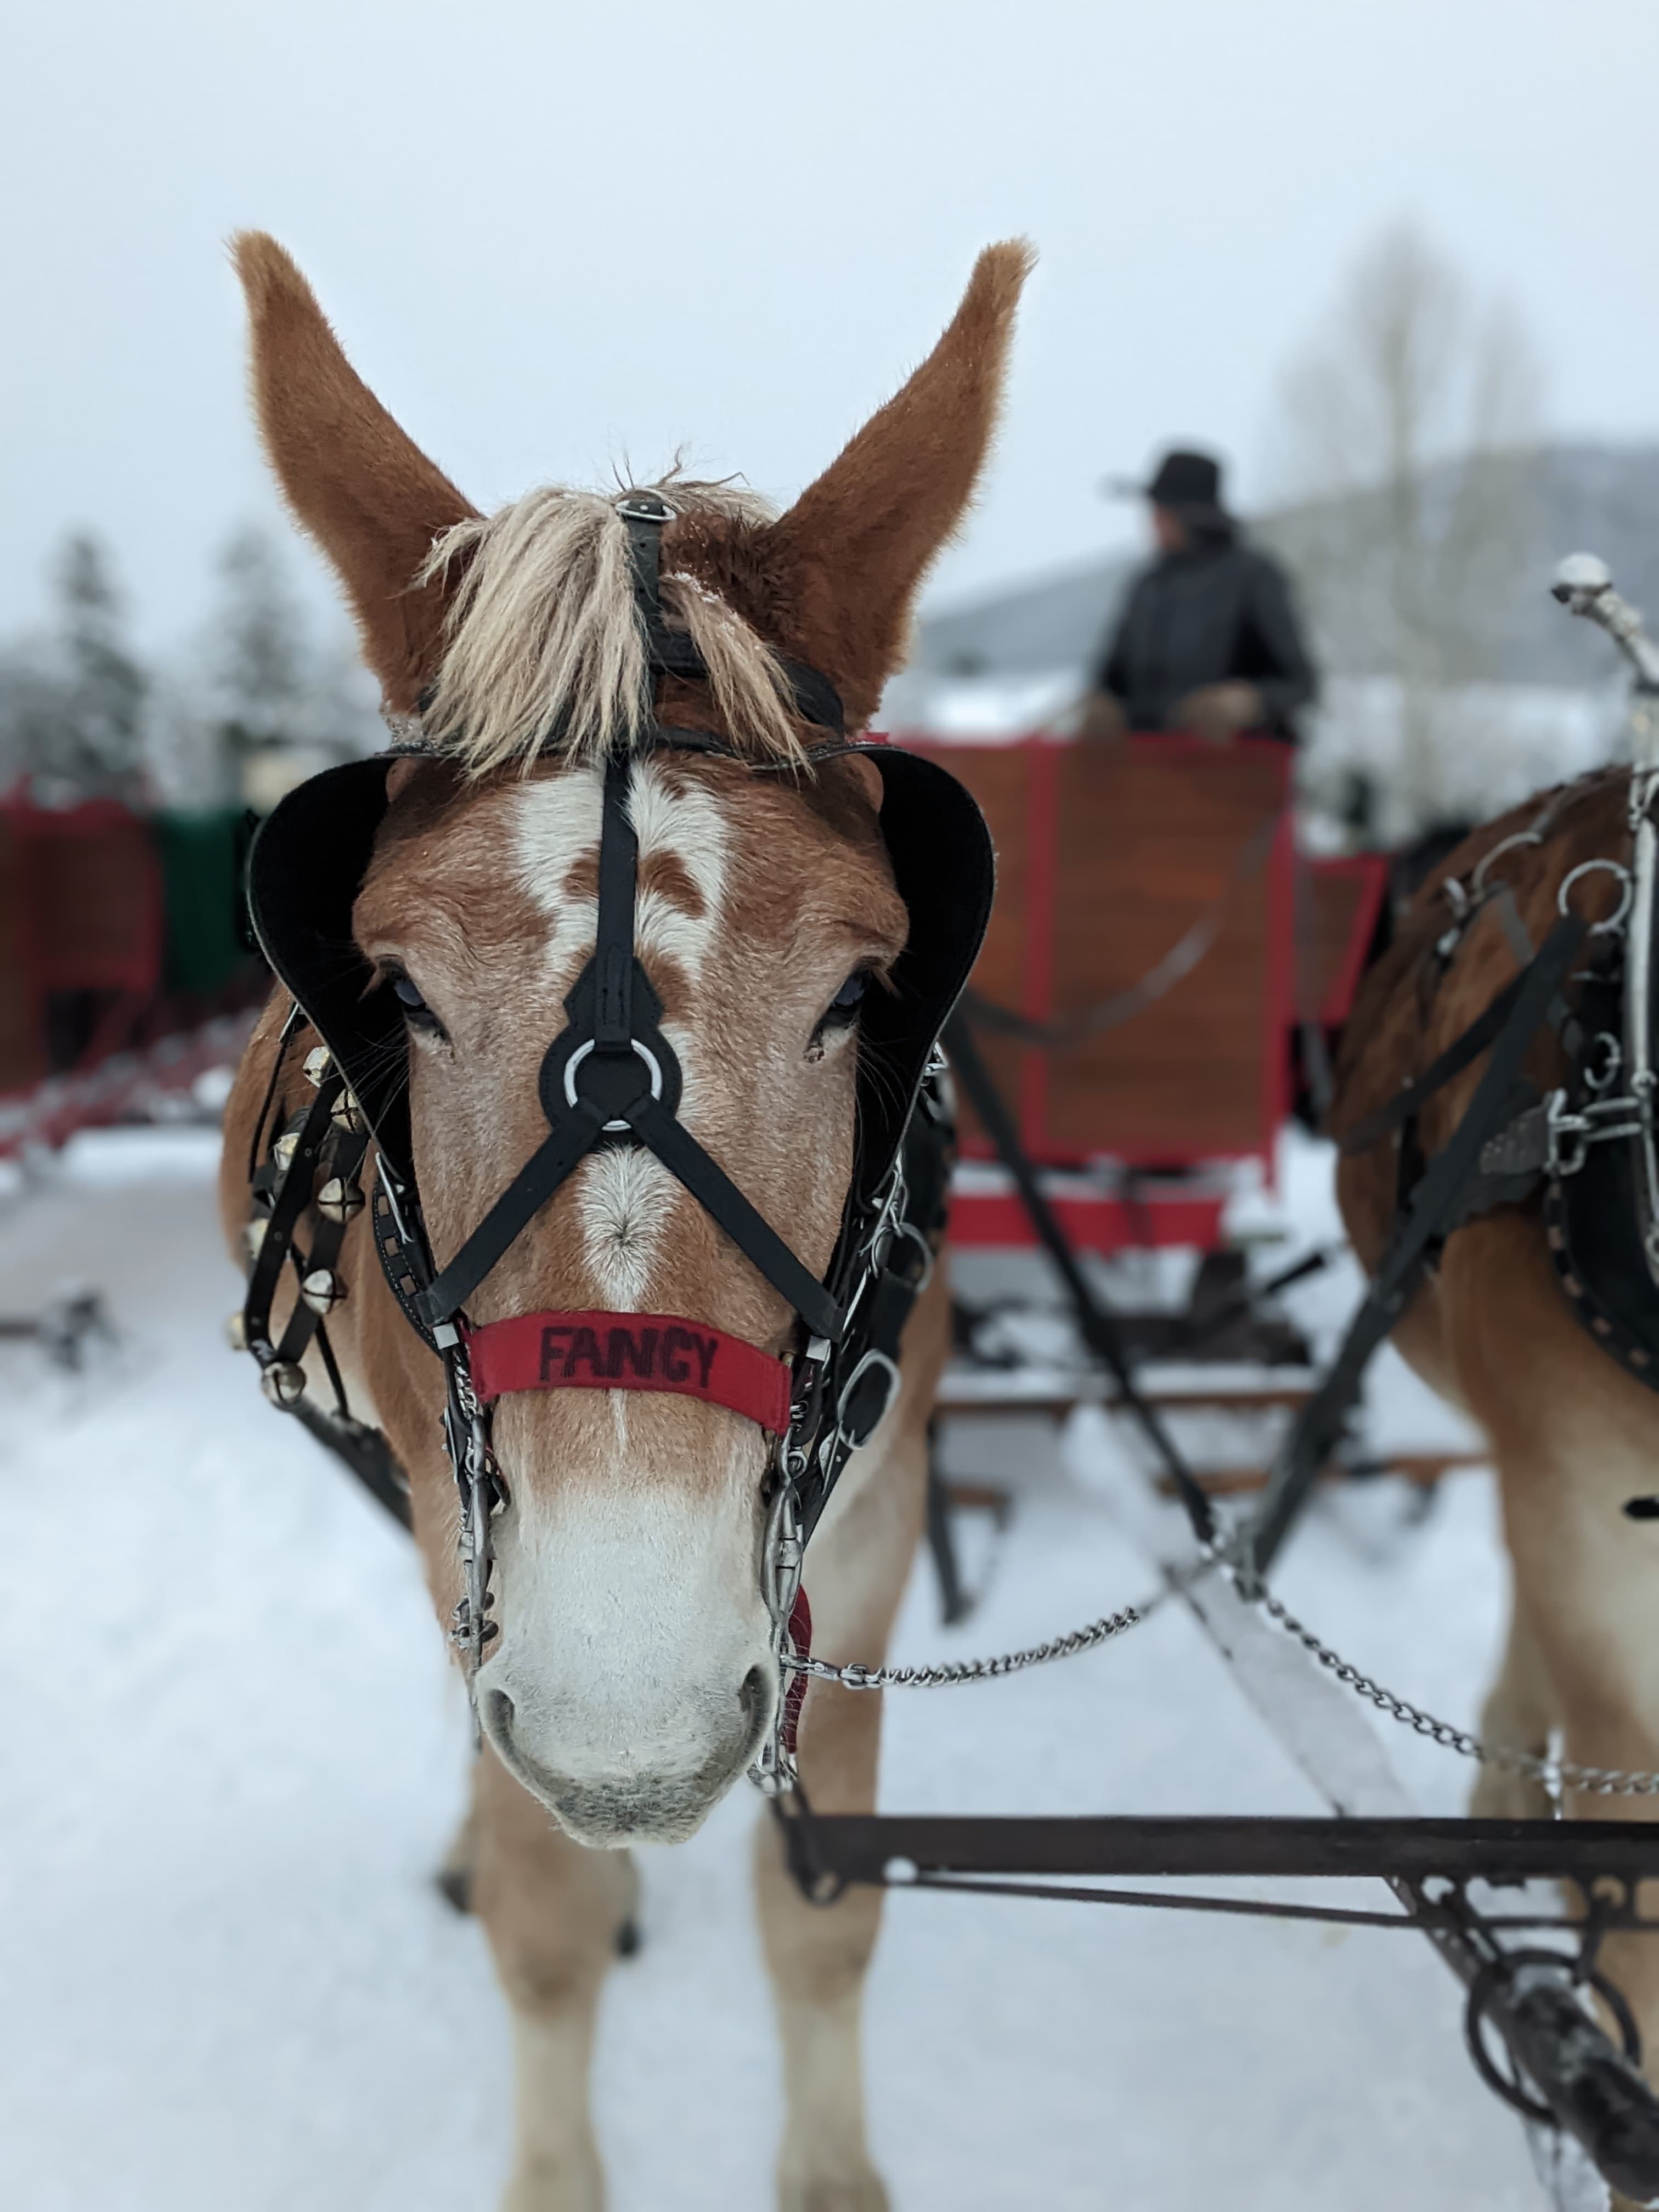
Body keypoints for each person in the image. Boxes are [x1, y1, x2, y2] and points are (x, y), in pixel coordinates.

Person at [1081, 449, 1316, 744]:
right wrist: (1102, 704)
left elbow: (1299, 683)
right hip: (1143, 769)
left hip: (1233, 771)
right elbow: (1111, 677)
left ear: (1189, 515)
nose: (1152, 523)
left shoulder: (1253, 577)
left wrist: (1246, 703)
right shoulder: (1147, 585)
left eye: (1161, 512)